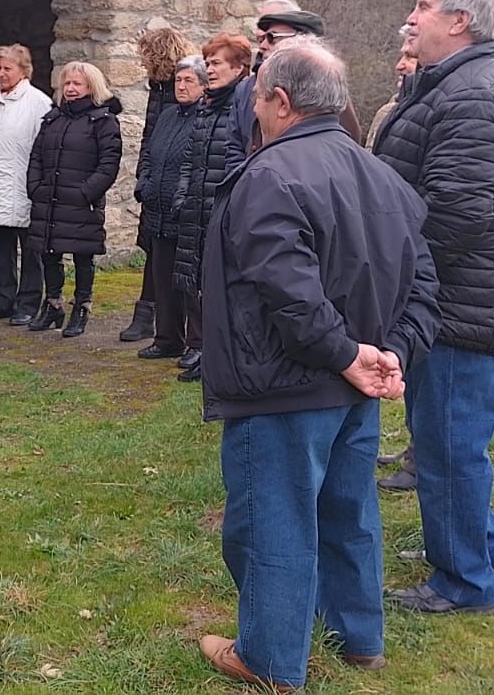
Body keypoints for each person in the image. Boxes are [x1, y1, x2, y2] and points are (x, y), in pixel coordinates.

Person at [196, 37, 439, 691]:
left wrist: (357, 354)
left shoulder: (268, 176)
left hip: (285, 388)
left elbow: (290, 293)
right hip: (352, 385)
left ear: (280, 100)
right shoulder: (382, 175)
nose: (253, 109)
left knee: (270, 522)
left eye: (256, 97)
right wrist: (388, 354)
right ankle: (360, 637)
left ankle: (270, 660)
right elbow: (424, 285)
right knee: (346, 509)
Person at [376, 0, 494, 616]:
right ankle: (480, 548)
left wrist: (385, 250)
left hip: (462, 305)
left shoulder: (473, 94)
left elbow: (454, 217)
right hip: (467, 298)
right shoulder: (466, 80)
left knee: (448, 447)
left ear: (460, 20)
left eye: (422, 6)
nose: (411, 18)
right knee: (450, 440)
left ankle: (465, 583)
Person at [172, 33, 251, 381]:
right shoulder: (205, 108)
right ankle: (201, 348)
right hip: (197, 209)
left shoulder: (243, 105)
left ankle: (219, 354)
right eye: (208, 63)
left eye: (216, 63)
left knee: (223, 286)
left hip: (224, 210)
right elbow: (191, 159)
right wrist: (183, 195)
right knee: (197, 281)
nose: (210, 69)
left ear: (239, 67)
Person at [26, 61, 123, 338]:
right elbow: (36, 156)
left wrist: (85, 193)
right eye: (67, 83)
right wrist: (35, 187)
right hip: (50, 199)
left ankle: (81, 306)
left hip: (81, 202)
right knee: (49, 253)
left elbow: (108, 164)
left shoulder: (103, 120)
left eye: (76, 83)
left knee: (83, 256)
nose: (70, 88)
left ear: (91, 86)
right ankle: (53, 304)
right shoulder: (53, 119)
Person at [121, 27, 195, 344]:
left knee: (168, 250)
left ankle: (162, 320)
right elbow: (150, 137)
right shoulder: (158, 88)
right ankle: (151, 316)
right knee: (153, 246)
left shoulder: (174, 87)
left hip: (173, 180)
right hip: (156, 179)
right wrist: (144, 179)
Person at [0, 44, 52, 324]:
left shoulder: (38, 102)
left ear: (23, 70)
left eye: (8, 68)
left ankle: (28, 302)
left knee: (31, 250)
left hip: (24, 187)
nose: (2, 73)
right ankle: (4, 298)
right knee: (0, 248)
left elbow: (45, 150)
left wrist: (40, 186)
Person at [133, 55, 205, 362]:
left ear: (203, 85)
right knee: (162, 282)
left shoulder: (205, 118)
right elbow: (150, 153)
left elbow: (197, 163)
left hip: (186, 215)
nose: (182, 86)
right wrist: (144, 185)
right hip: (157, 210)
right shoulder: (167, 115)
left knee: (188, 284)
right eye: (178, 80)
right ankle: (166, 339)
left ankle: (196, 343)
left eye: (189, 80)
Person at [374, 29, 420, 492]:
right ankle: (413, 448)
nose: (400, 63)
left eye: (409, 56)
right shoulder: (394, 109)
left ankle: (419, 458)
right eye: (400, 56)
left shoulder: (443, 107)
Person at [237, 3, 363, 148]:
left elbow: (345, 146)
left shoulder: (325, 90)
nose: (263, 45)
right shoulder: (251, 85)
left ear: (302, 40)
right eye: (263, 38)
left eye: (272, 37)